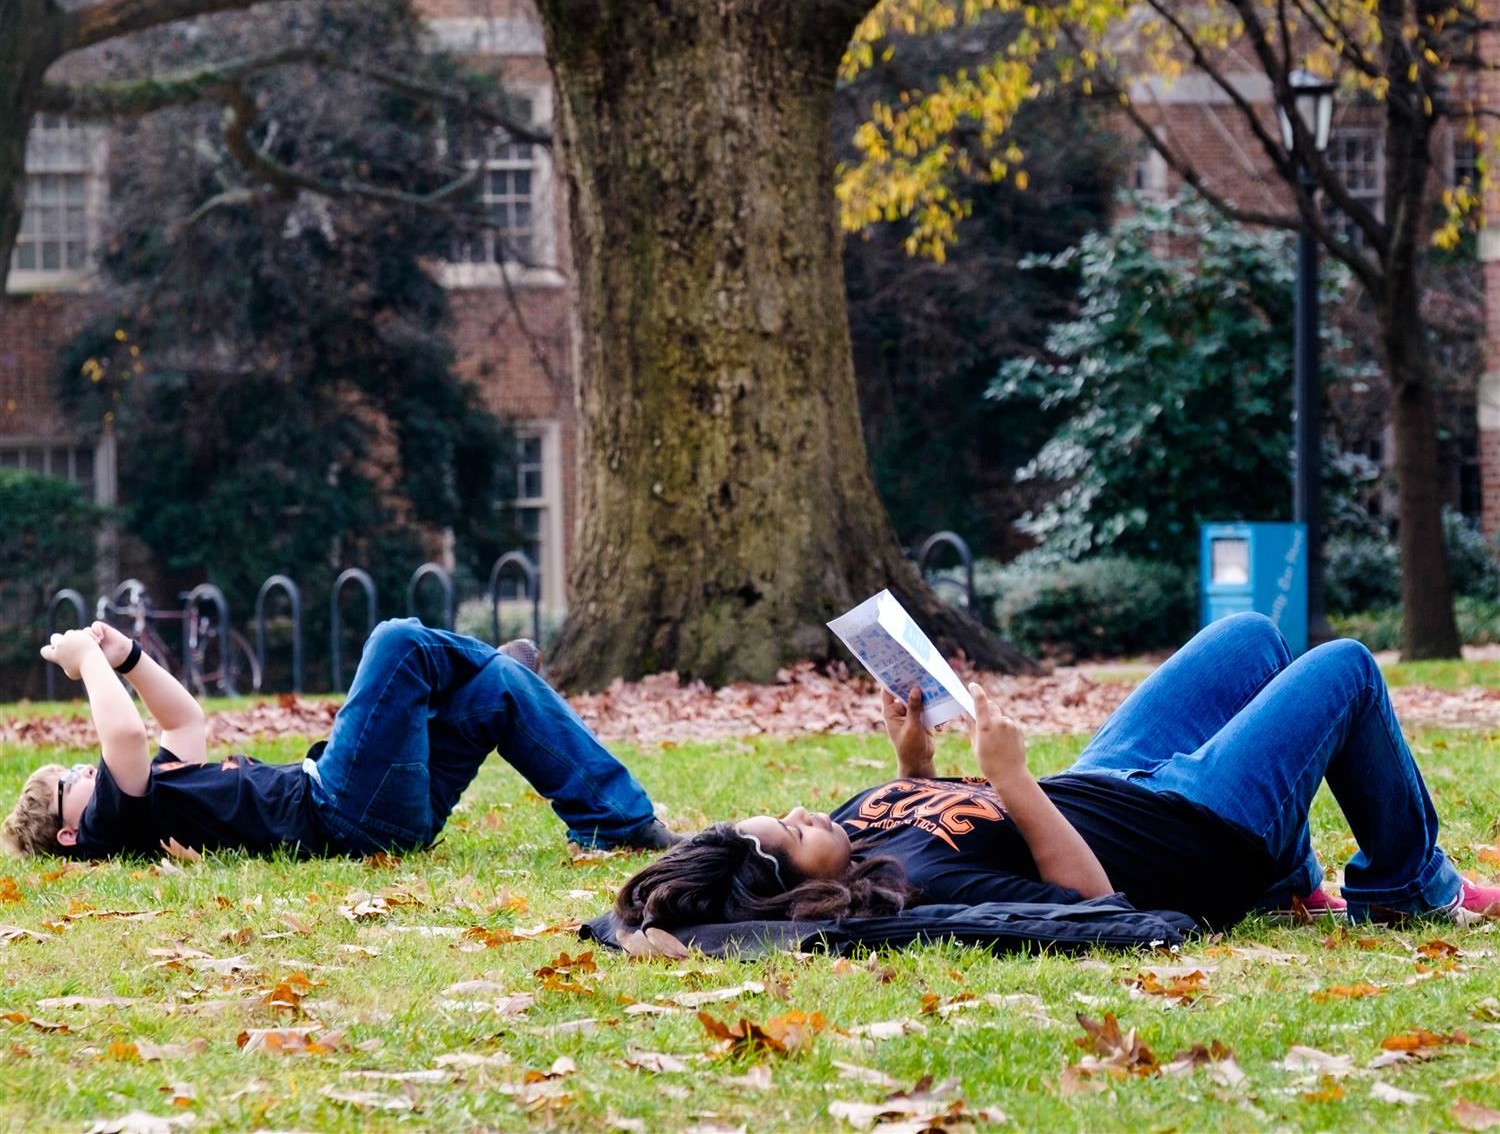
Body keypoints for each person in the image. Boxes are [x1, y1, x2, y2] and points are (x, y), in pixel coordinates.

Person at [616, 613, 1500, 933]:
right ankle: (1408, 889)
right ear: (798, 894)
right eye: (795, 833)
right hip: (1193, 832)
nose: (808, 811)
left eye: (787, 811)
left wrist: (914, 763)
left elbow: (916, 805)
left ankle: (1293, 884)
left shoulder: (859, 830)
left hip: (1114, 778)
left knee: (1252, 640)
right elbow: (1092, 902)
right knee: (1343, 666)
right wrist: (1010, 781)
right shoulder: (917, 889)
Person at [1, 617, 679, 860]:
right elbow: (120, 734)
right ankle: (481, 665)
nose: (82, 771)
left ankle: (617, 823)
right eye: (69, 779)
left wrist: (126, 660)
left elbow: (184, 723)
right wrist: (82, 663)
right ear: (69, 831)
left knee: (496, 688)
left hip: (380, 816)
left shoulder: (159, 795)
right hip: (341, 810)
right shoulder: (115, 824)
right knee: (398, 642)